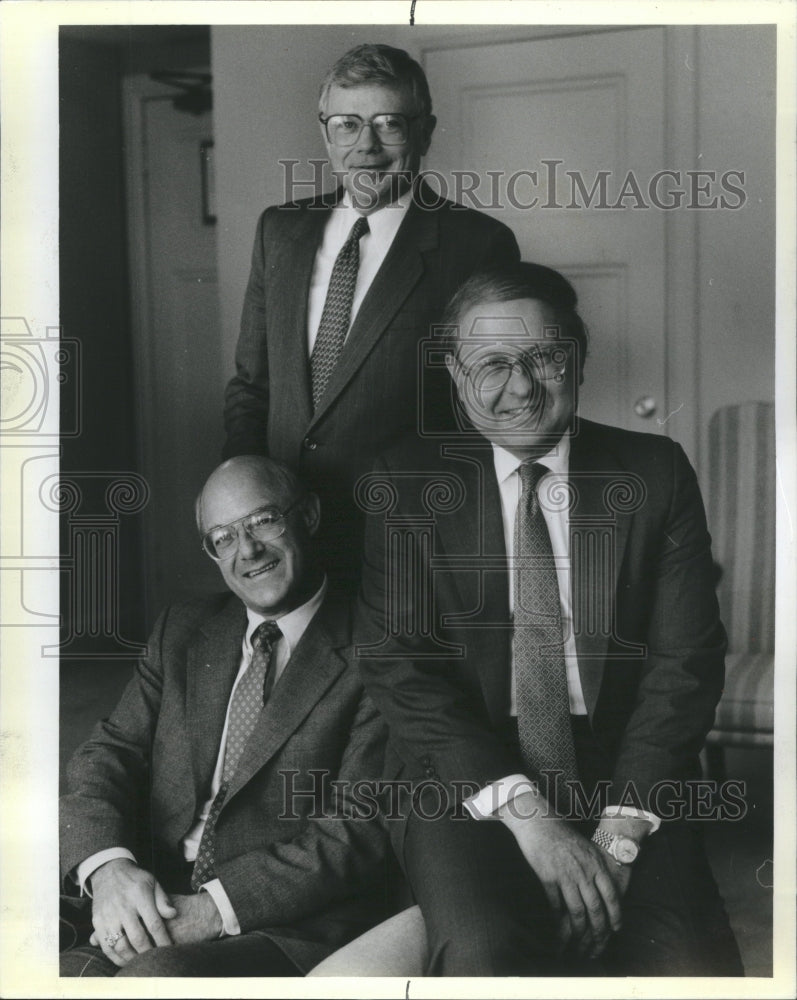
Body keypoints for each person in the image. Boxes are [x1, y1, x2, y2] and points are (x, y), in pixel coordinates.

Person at [349, 262, 744, 976]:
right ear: (452, 371)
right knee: (485, 952)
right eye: (493, 364)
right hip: (466, 772)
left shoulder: (654, 472)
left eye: (545, 358)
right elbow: (398, 667)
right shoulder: (402, 482)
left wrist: (619, 836)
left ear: (579, 358)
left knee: (691, 968)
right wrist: (533, 823)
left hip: (623, 764)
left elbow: (683, 663)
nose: (523, 386)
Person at [59, 456, 390, 977]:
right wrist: (110, 870)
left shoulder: (376, 648)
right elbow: (107, 754)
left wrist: (214, 909)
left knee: (148, 983)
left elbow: (358, 830)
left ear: (307, 515)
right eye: (224, 537)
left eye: (263, 521)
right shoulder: (184, 629)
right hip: (148, 895)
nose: (248, 551)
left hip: (277, 924)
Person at [222, 43, 520, 591]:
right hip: (283, 540)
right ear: (325, 132)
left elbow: (485, 410)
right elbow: (251, 387)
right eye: (347, 125)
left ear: (425, 132)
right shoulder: (279, 231)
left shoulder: (477, 245)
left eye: (390, 124)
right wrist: (245, 505)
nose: (367, 147)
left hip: (407, 538)